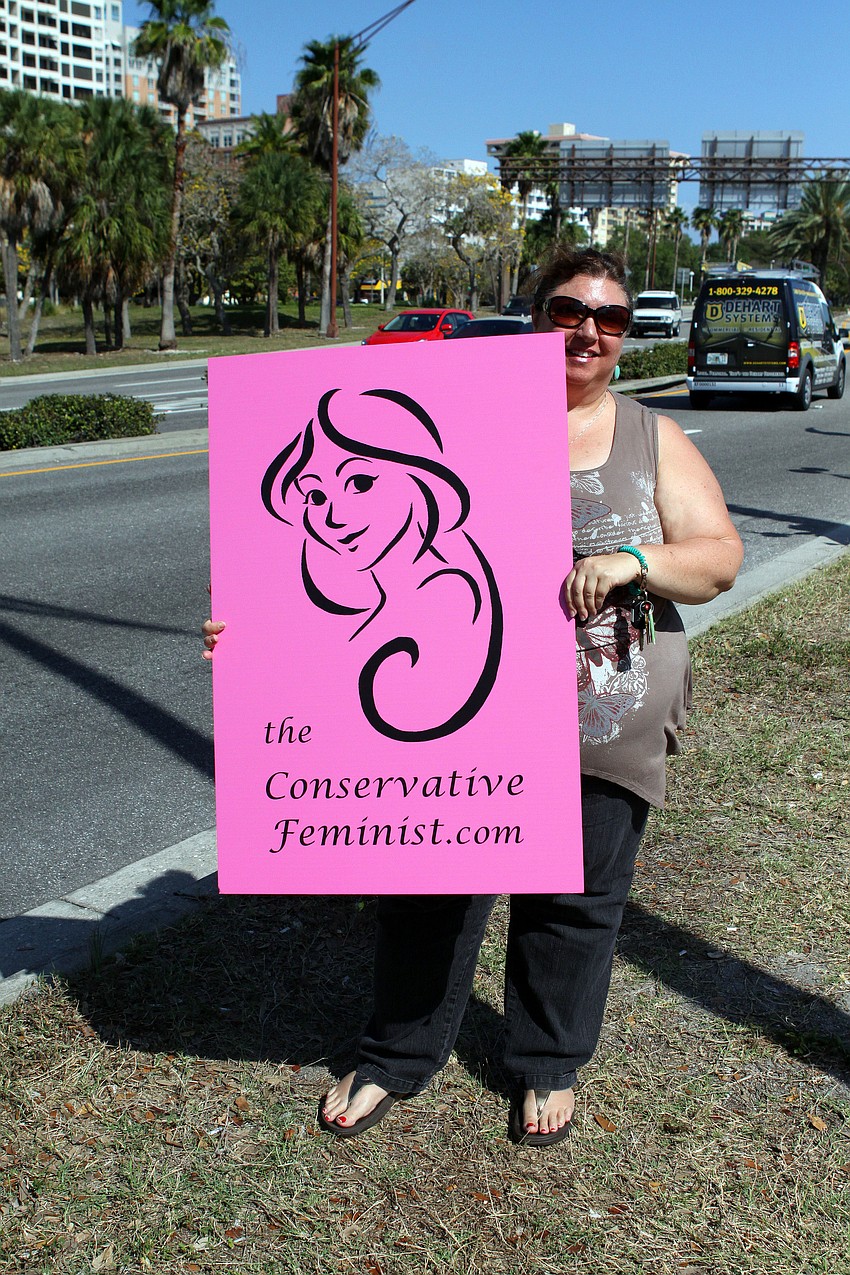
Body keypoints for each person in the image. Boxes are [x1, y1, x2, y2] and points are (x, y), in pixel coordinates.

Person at [203, 246, 743, 1147]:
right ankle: (396, 1054)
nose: (589, 331)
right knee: (427, 887)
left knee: (577, 896)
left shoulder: (652, 435)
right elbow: (341, 550)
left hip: (602, 714)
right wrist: (255, 633)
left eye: (611, 319)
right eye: (571, 310)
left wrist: (632, 560)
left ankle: (546, 1061)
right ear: (535, 315)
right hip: (457, 714)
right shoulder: (450, 414)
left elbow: (718, 556)